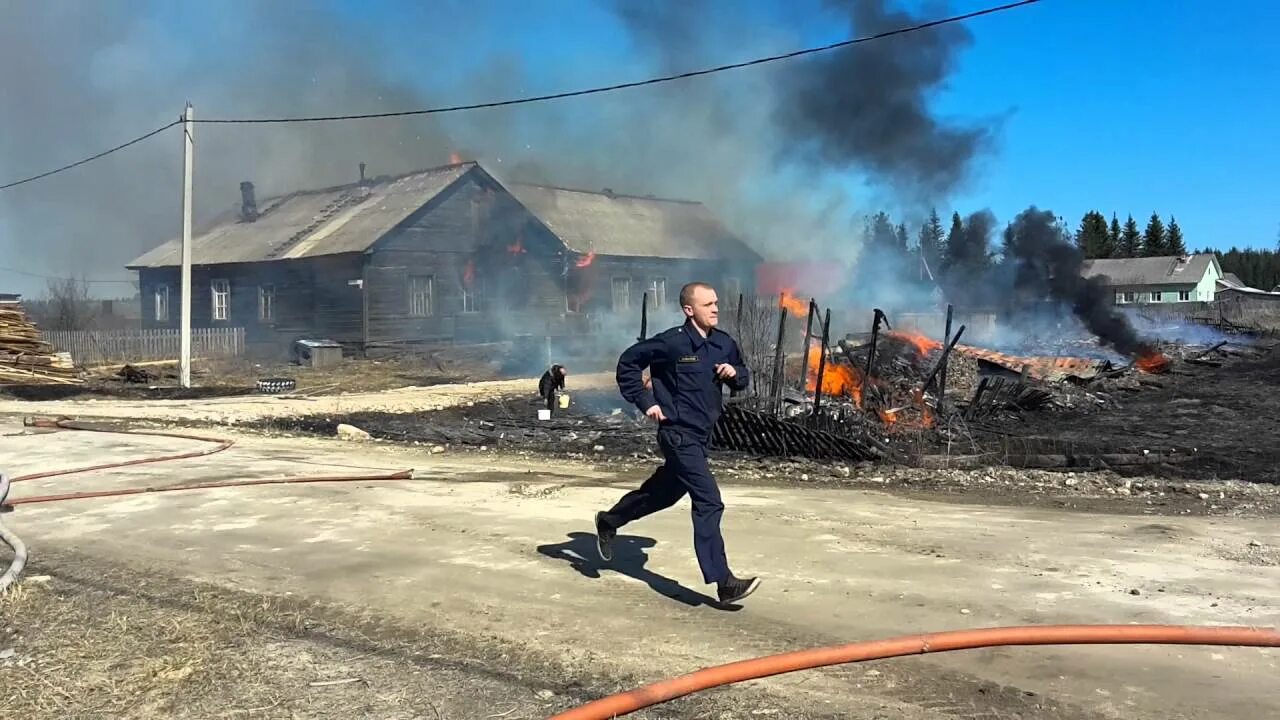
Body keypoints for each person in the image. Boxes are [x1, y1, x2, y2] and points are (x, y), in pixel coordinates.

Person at [593, 281, 760, 605]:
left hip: (702, 435)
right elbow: (628, 363)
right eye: (707, 304)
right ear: (689, 310)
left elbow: (743, 374)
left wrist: (733, 373)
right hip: (676, 434)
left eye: (715, 303)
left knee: (663, 494)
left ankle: (609, 521)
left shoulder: (723, 343)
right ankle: (723, 581)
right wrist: (646, 402)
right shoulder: (671, 343)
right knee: (709, 500)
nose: (715, 309)